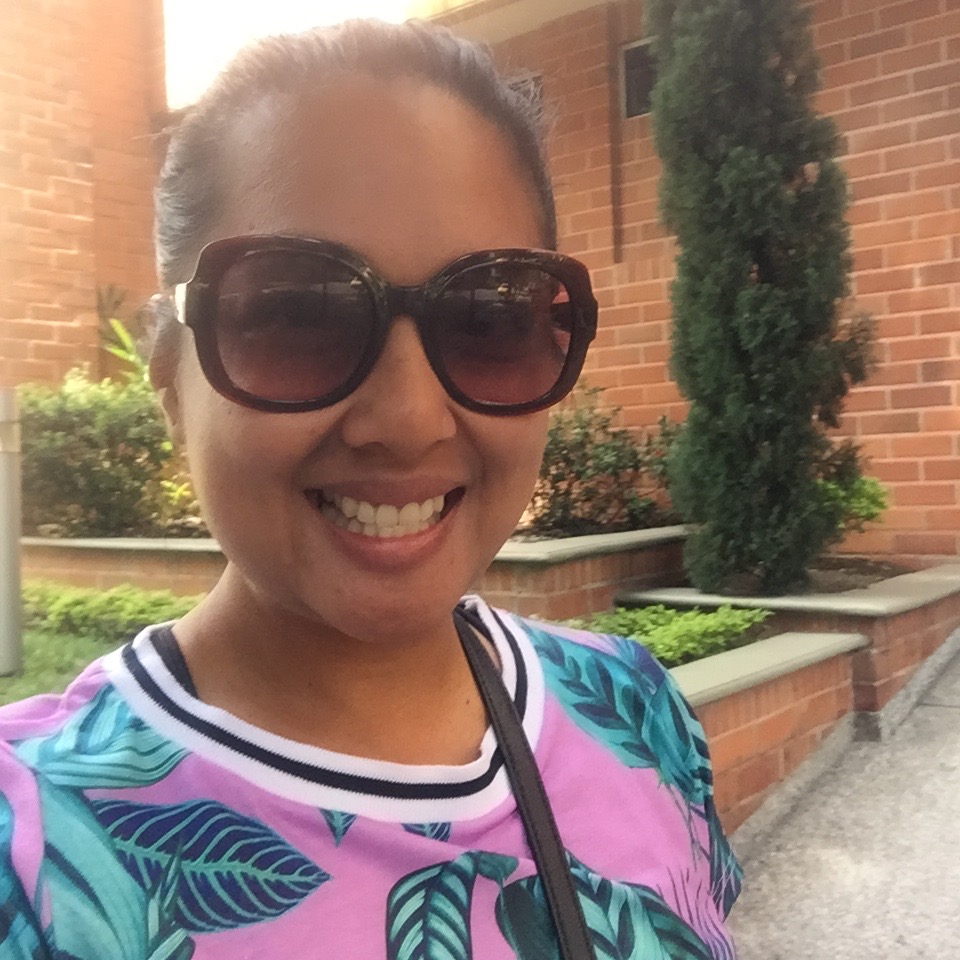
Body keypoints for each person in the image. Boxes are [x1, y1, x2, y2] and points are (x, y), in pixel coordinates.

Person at [0, 19, 741, 959]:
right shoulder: (32, 852)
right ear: (170, 384)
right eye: (298, 315)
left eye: (489, 317)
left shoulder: (634, 710)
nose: (408, 418)